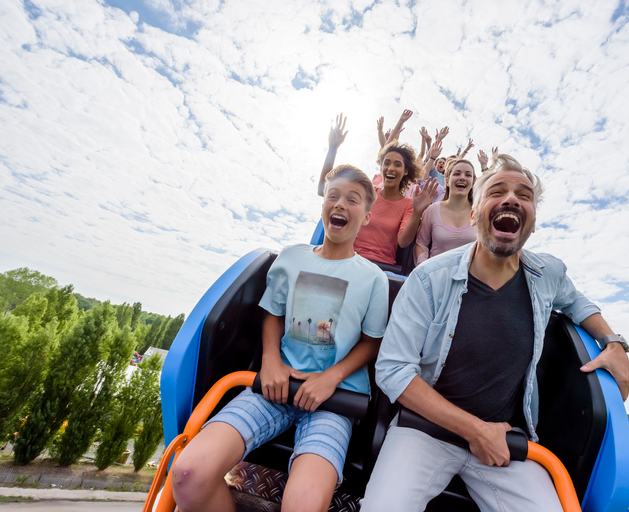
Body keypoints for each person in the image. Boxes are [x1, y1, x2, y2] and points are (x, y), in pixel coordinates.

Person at [362, 154, 629, 512]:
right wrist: (476, 431)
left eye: (524, 195)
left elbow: (578, 303)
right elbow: (393, 369)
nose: (511, 199)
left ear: (533, 222)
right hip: (425, 429)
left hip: (507, 440)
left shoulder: (546, 274)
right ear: (474, 214)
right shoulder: (429, 278)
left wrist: (613, 342)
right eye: (497, 191)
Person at [172, 165, 390, 512]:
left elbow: (371, 342)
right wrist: (271, 360)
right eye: (333, 196)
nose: (340, 204)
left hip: (333, 402)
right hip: (275, 387)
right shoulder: (292, 257)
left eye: (353, 200)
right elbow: (273, 314)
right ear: (323, 205)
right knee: (187, 472)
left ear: (365, 216)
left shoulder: (373, 278)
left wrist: (329, 379)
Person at [318, 114, 438, 268]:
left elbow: (403, 241)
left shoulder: (408, 204)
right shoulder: (366, 192)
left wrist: (417, 213)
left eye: (397, 164)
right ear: (381, 167)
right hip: (348, 259)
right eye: (386, 163)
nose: (391, 168)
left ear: (406, 171)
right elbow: (323, 190)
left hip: (382, 266)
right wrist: (332, 149)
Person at [414, 158, 476, 265]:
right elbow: (421, 244)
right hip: (435, 276)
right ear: (446, 181)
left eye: (468, 175)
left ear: (473, 183)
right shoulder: (432, 210)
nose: (462, 178)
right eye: (457, 174)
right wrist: (423, 267)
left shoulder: (479, 214)